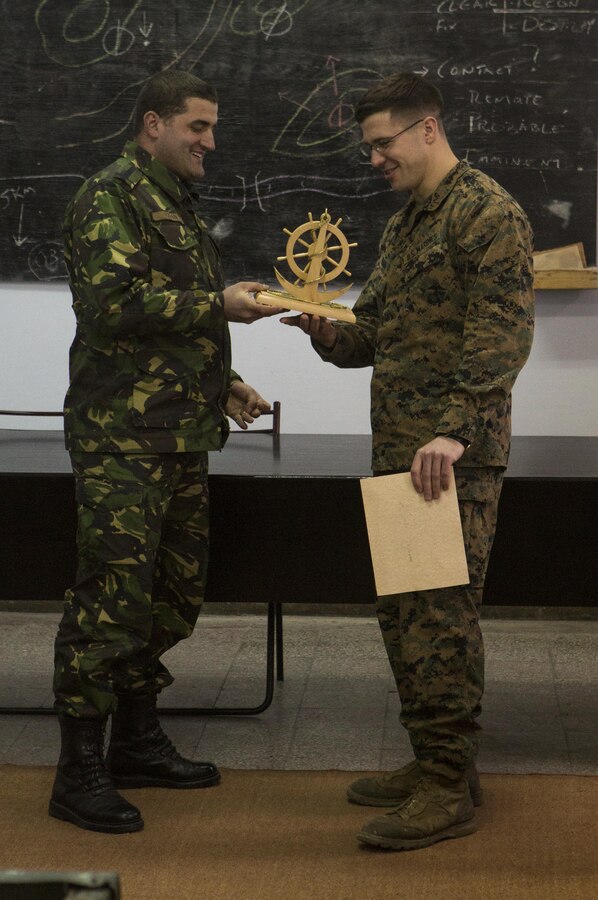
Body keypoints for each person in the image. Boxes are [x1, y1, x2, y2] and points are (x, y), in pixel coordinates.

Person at [282, 72, 534, 851]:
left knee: (440, 620)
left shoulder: (489, 215)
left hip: (448, 460)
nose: (374, 160)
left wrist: (454, 431)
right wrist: (325, 332)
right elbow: (374, 335)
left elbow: (501, 337)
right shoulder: (407, 225)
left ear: (427, 129)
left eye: (381, 144)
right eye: (368, 149)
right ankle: (438, 762)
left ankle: (446, 786)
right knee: (405, 615)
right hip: (400, 451)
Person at [50, 70, 280, 834]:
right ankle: (78, 768)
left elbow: (172, 319)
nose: (211, 143)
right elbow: (110, 309)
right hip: (123, 442)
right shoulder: (107, 196)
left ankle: (137, 742)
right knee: (109, 605)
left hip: (180, 433)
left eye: (213, 128)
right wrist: (220, 306)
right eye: (198, 128)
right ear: (154, 124)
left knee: (170, 598)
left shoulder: (172, 201)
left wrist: (226, 383)